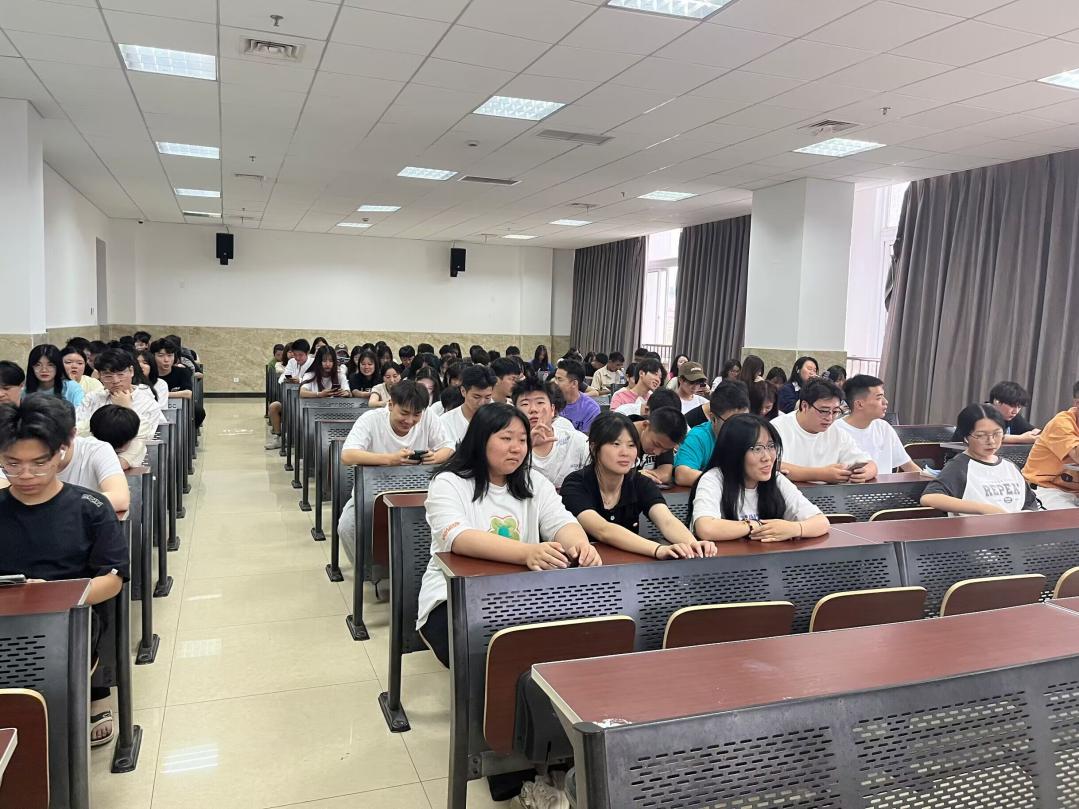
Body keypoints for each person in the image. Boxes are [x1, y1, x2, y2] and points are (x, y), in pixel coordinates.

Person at [417, 403, 601, 667]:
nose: (517, 448)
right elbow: (459, 538)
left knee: (576, 640)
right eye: (506, 438)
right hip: (455, 596)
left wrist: (580, 546)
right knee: (495, 658)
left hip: (522, 592)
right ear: (480, 440)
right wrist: (527, 553)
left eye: (523, 440)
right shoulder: (449, 482)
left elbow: (562, 522)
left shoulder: (534, 481)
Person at [0, 398, 128, 746]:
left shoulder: (90, 508)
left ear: (60, 453)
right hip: (5, 617)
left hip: (67, 619)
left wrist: (55, 595)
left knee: (38, 671)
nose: (26, 475)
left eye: (39, 464)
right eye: (13, 464)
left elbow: (112, 580)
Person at [561, 412, 716, 559]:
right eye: (616, 444)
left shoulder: (640, 482)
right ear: (594, 448)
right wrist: (657, 549)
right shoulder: (575, 484)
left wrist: (693, 544)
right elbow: (603, 530)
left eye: (631, 445)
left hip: (632, 565)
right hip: (588, 568)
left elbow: (666, 521)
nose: (625, 452)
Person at [337, 380, 455, 557]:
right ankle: (367, 567)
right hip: (374, 490)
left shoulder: (429, 417)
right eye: (404, 413)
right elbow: (347, 455)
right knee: (347, 527)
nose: (409, 421)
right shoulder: (371, 420)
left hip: (417, 489)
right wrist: (390, 459)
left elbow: (448, 447)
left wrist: (436, 457)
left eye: (416, 415)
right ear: (391, 404)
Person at [691, 414, 830, 543]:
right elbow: (706, 528)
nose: (767, 457)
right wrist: (756, 526)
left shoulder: (777, 479)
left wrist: (794, 528)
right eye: (757, 449)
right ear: (735, 452)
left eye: (771, 446)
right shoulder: (713, 479)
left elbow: (821, 522)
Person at [0, 396, 129, 513]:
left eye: (40, 462)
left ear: (72, 434)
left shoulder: (96, 450)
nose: (26, 475)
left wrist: (56, 508)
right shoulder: (13, 451)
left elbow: (120, 498)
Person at [924, 404, 1041, 516]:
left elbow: (1030, 505)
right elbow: (929, 497)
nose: (991, 441)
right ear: (966, 437)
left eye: (997, 434)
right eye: (981, 435)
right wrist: (984, 509)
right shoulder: (960, 466)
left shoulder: (1010, 466)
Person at [773, 378, 876, 483]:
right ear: (804, 406)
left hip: (827, 493)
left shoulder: (837, 433)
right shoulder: (777, 428)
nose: (829, 418)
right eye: (824, 411)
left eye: (835, 411)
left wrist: (863, 474)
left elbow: (870, 464)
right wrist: (820, 474)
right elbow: (773, 465)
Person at [75, 348, 163, 470]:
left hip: (131, 459)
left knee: (138, 441)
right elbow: (79, 428)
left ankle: (114, 467)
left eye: (121, 374)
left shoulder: (147, 402)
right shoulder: (93, 398)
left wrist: (126, 409)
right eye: (108, 376)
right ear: (99, 376)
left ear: (131, 371)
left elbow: (144, 435)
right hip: (92, 454)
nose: (115, 381)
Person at [512, 377, 588, 487]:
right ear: (515, 411)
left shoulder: (577, 442)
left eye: (540, 402)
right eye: (525, 404)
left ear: (552, 409)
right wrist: (527, 446)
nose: (533, 409)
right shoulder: (509, 447)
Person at [835, 375, 919, 474]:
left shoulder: (884, 427)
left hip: (886, 484)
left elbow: (908, 465)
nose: (885, 402)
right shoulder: (835, 430)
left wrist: (931, 480)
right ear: (859, 404)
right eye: (879, 398)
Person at [674, 382, 751, 487]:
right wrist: (728, 481)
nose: (740, 428)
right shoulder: (698, 437)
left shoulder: (753, 433)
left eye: (744, 420)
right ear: (713, 418)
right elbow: (682, 475)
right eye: (732, 422)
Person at [1022, 380, 1079, 510]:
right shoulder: (1061, 423)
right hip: (1045, 489)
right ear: (1077, 404)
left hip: (1072, 492)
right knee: (1071, 519)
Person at [951, 381, 1041, 445]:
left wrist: (1039, 434)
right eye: (1012, 406)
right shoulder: (979, 413)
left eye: (1019, 407)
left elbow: (1032, 431)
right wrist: (1022, 438)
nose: (1015, 411)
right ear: (997, 401)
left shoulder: (1013, 416)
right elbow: (988, 437)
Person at [267, 338, 312, 448]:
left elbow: (314, 380)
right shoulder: (292, 362)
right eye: (295, 355)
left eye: (300, 355)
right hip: (290, 401)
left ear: (307, 353)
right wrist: (288, 379)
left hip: (307, 402)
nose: (297, 358)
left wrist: (300, 380)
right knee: (273, 407)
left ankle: (298, 440)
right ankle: (278, 437)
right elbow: (281, 378)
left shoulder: (313, 363)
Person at [152, 338, 206, 427]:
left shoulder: (182, 372)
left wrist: (162, 394)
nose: (166, 360)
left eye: (170, 355)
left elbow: (188, 393)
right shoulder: (149, 373)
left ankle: (188, 433)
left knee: (198, 411)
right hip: (153, 405)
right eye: (161, 356)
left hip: (177, 405)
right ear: (153, 356)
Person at [629, 402, 686, 485]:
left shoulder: (665, 440)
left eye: (664, 450)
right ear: (645, 425)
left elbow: (666, 474)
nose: (657, 453)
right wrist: (635, 476)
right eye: (656, 444)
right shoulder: (619, 435)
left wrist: (640, 477)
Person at [441, 364, 496, 445]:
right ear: (463, 391)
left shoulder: (499, 418)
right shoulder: (446, 422)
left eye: (487, 397)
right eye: (476, 397)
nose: (482, 402)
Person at [554, 359, 600, 434]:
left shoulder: (591, 409)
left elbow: (587, 438)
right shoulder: (549, 401)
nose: (555, 382)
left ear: (574, 383)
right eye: (555, 378)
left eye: (560, 379)